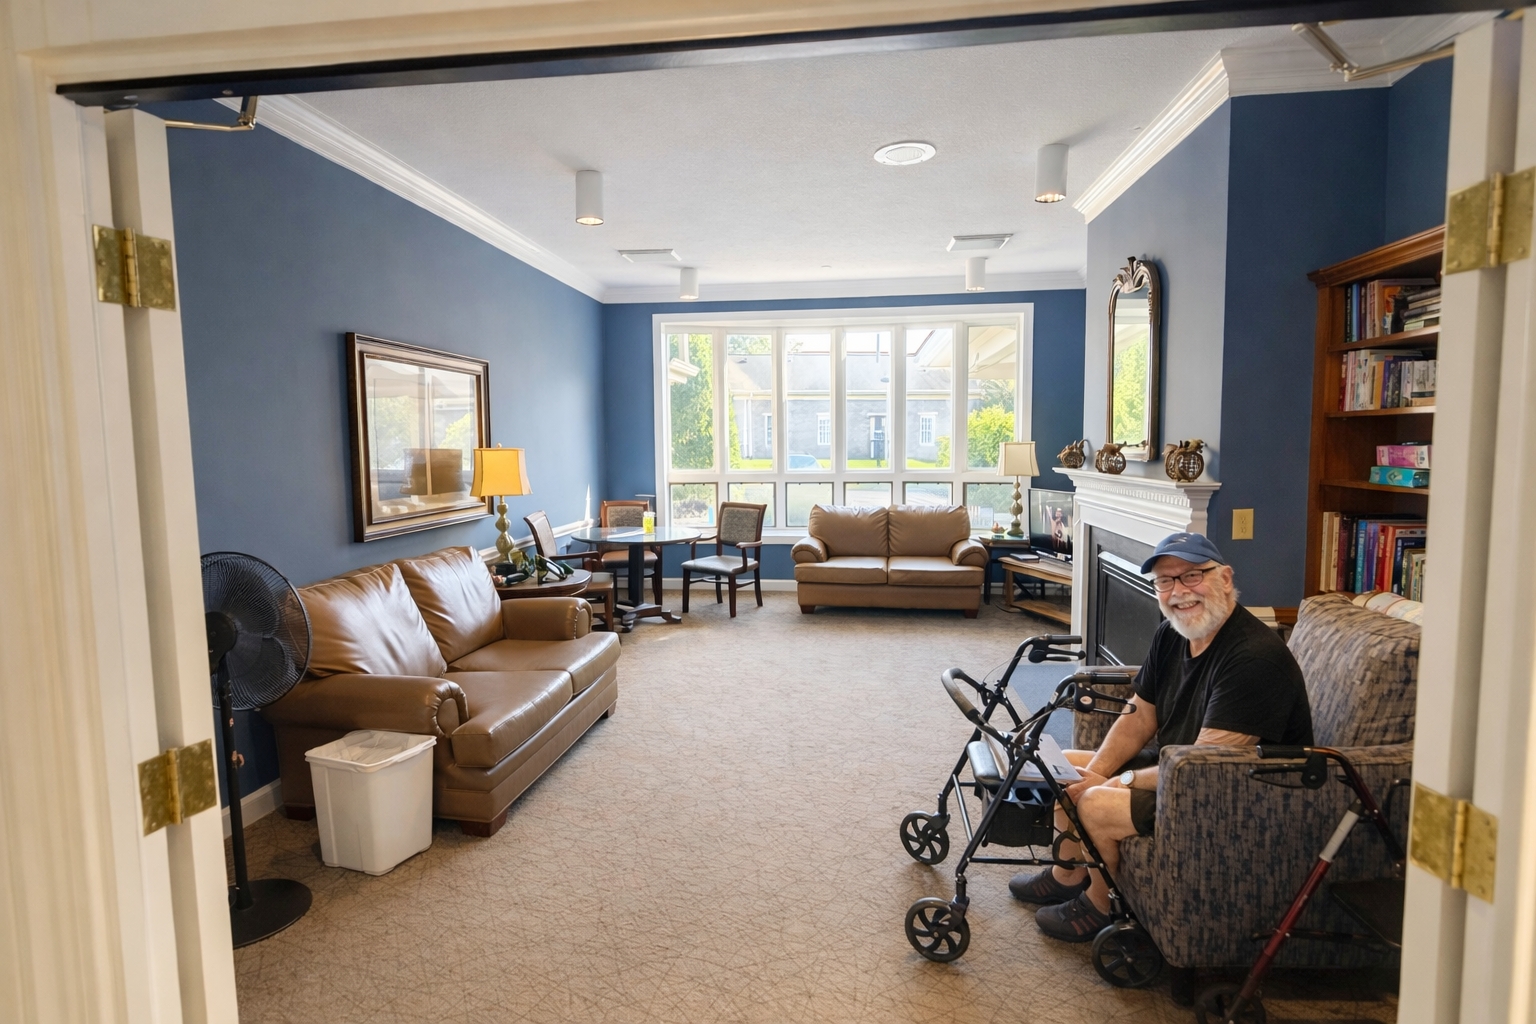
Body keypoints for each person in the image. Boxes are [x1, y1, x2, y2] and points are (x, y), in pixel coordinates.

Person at [1009, 531, 1314, 942]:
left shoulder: (1253, 658)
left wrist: (1115, 783)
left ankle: (1102, 907)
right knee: (1067, 766)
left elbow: (1206, 762)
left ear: (1225, 578)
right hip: (1181, 770)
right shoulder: (1173, 635)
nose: (1178, 592)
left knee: (1096, 801)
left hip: (1236, 794)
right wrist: (1095, 772)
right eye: (1165, 582)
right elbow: (1139, 717)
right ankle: (1068, 875)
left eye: (1191, 576)